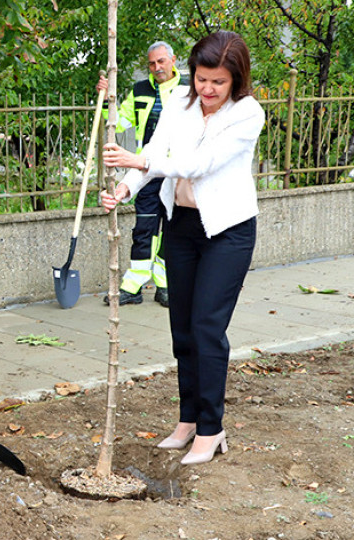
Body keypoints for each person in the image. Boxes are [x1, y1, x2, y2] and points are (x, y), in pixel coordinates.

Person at [100, 31, 264, 465]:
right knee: (182, 331)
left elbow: (199, 164)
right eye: (201, 80)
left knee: (208, 328)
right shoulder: (181, 101)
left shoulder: (248, 115)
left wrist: (140, 163)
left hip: (227, 231)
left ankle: (212, 428)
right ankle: (188, 420)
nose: (207, 91)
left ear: (237, 81)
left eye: (218, 83)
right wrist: (124, 188)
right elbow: (155, 152)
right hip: (182, 228)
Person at [98, 41, 189, 307]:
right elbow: (120, 119)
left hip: (177, 172)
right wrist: (105, 100)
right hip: (146, 170)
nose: (157, 67)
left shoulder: (187, 91)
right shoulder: (140, 90)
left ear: (173, 59)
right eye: (152, 63)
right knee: (144, 227)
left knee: (172, 230)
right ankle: (133, 285)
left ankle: (165, 284)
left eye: (161, 61)